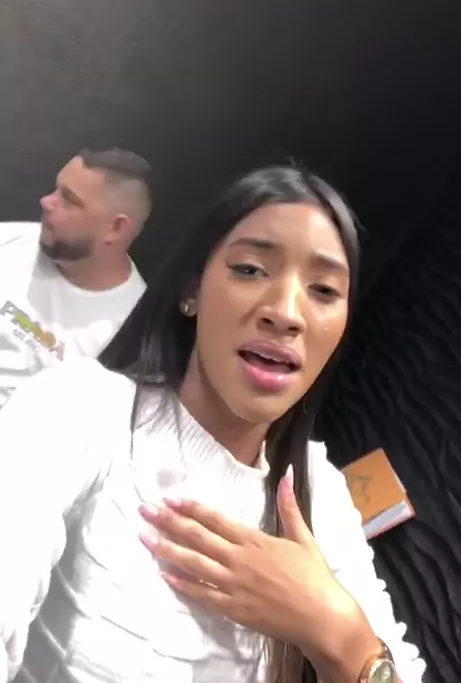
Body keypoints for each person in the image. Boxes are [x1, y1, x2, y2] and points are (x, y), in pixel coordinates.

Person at [0, 165, 424, 683]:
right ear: (192, 290)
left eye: (323, 290)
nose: (286, 313)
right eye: (250, 269)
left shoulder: (321, 498)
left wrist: (336, 629)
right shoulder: (78, 411)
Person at [0, 148, 151, 407]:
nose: (46, 201)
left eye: (69, 200)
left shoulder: (128, 339)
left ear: (115, 228)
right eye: (56, 189)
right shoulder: (12, 241)